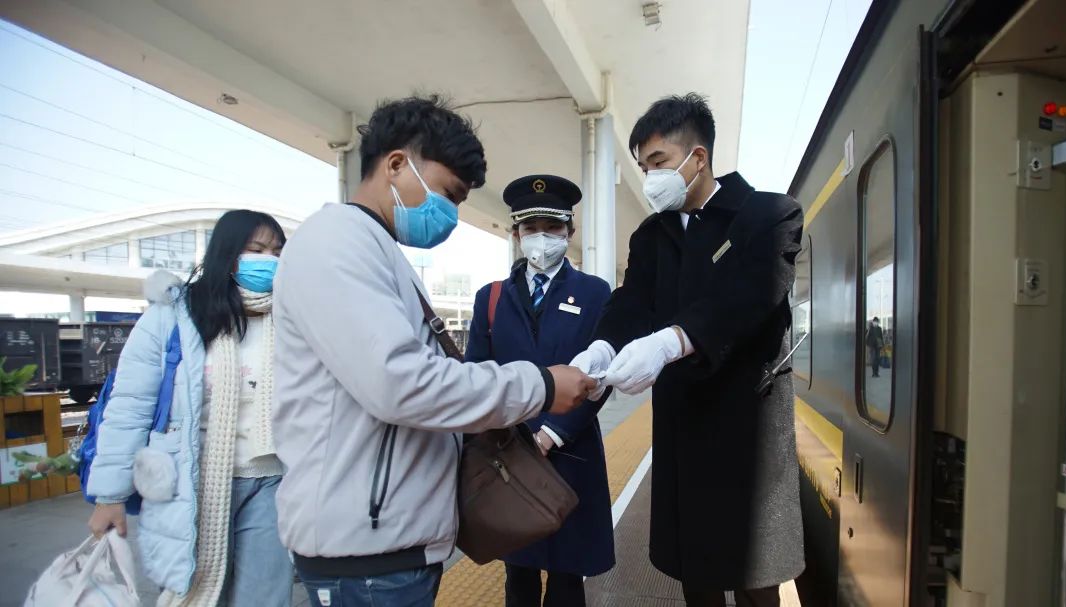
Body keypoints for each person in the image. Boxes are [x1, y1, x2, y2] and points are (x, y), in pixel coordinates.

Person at [271, 96, 596, 607]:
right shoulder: (338, 243)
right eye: (448, 194)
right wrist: (543, 384)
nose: (449, 214)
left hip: (389, 540)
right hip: (367, 552)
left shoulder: (375, 250)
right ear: (397, 164)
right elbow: (402, 382)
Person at [571, 94, 805, 607]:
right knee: (696, 576)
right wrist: (603, 346)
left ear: (698, 157)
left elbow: (750, 296)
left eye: (659, 162)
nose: (650, 178)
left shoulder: (768, 215)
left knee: (756, 580)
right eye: (643, 167)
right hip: (683, 430)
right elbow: (632, 301)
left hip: (749, 434)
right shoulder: (652, 236)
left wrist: (672, 341)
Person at [87, 210, 293, 606]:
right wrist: (110, 495)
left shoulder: (291, 315)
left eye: (277, 252)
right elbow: (130, 406)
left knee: (266, 599)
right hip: (193, 482)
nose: (269, 260)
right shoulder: (174, 317)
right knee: (195, 594)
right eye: (256, 249)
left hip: (272, 479)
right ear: (227, 253)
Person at [465, 175, 615, 607]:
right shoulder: (490, 298)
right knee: (519, 573)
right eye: (531, 228)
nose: (542, 238)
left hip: (571, 452)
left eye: (552, 228)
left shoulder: (594, 293)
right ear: (516, 234)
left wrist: (551, 434)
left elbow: (600, 376)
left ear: (570, 231)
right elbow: (476, 373)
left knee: (568, 577)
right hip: (509, 456)